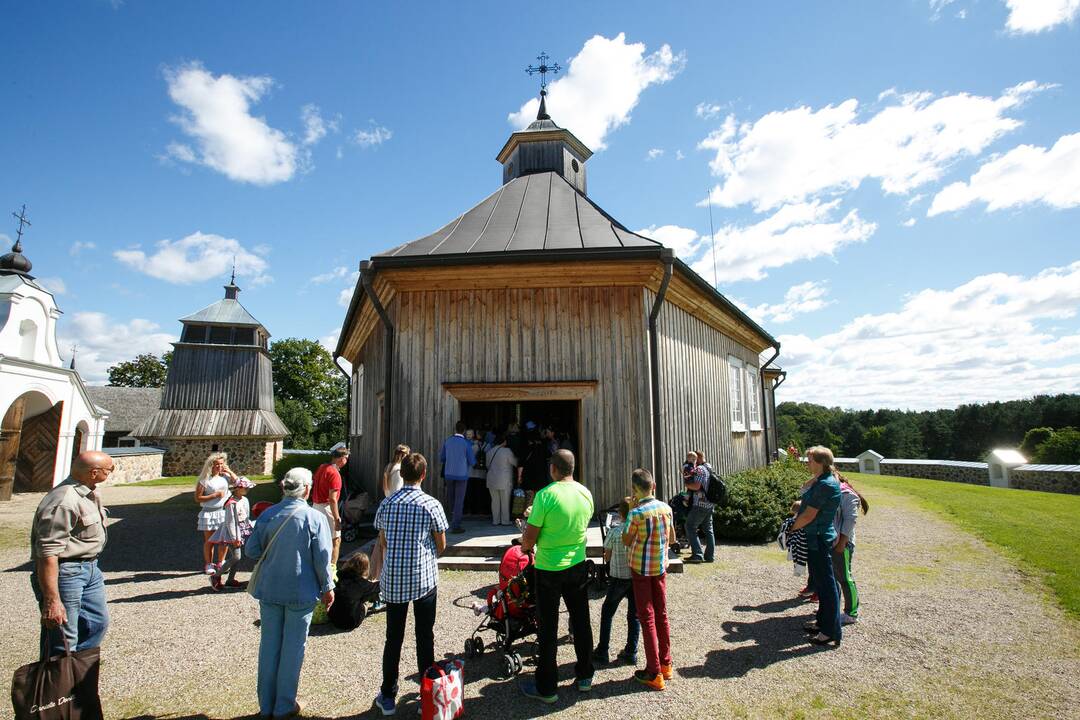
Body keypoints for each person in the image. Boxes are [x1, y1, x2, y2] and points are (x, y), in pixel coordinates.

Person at [246, 468, 335, 719]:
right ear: (306, 489)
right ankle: (284, 705)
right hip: (300, 591)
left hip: (270, 589)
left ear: (283, 488)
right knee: (293, 648)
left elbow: (252, 550)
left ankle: (266, 705)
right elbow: (322, 559)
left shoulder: (268, 514)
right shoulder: (314, 518)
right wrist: (328, 588)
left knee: (269, 647)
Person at [374, 453, 449, 717]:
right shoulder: (430, 504)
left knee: (393, 638)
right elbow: (441, 544)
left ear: (401, 473)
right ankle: (425, 696)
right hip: (423, 578)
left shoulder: (387, 504)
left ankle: (387, 695)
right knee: (424, 636)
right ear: (424, 474)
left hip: (394, 578)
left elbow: (382, 540)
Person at [518, 449, 595, 704]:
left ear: (553, 469)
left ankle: (547, 687)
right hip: (577, 564)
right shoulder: (585, 493)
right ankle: (585, 675)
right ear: (572, 468)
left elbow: (530, 536)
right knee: (581, 620)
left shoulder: (545, 496)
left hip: (549, 568)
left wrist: (525, 546)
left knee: (548, 627)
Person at [30, 450, 114, 657]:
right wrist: (52, 600)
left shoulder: (88, 492)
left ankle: (77, 677)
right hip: (67, 573)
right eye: (109, 469)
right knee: (63, 637)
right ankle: (56, 684)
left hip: (90, 568)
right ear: (94, 472)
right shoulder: (64, 500)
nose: (111, 472)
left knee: (96, 624)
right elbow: (47, 552)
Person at [623, 468, 675, 691]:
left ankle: (653, 671)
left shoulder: (636, 513)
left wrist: (632, 510)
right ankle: (666, 663)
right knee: (661, 613)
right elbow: (672, 537)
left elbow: (626, 539)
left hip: (641, 569)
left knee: (647, 617)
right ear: (653, 486)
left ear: (635, 490)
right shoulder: (666, 508)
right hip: (660, 567)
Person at [789, 446, 844, 647]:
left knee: (827, 585)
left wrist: (791, 529)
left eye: (810, 460)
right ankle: (822, 623)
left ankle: (831, 631)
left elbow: (809, 515)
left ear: (820, 462)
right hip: (814, 537)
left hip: (819, 537)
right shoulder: (821, 481)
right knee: (821, 583)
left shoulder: (826, 485)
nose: (807, 463)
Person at [593, 498, 639, 667]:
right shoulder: (637, 532)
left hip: (618, 578)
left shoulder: (615, 532)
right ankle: (631, 651)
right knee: (634, 615)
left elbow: (607, 556)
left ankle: (603, 650)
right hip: (634, 577)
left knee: (607, 613)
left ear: (620, 513)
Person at [371, 444, 411, 584]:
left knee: (383, 541)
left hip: (387, 502)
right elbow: (399, 490)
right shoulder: (400, 470)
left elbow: (386, 489)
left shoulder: (389, 466)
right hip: (396, 507)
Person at [833, 472, 869, 626]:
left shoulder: (847, 494)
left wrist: (842, 542)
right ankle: (833, 608)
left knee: (845, 577)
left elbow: (850, 521)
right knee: (834, 577)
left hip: (843, 543)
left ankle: (851, 613)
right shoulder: (835, 492)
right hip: (833, 542)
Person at [209, 475, 255, 590]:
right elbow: (230, 522)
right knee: (236, 556)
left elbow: (246, 516)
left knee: (237, 557)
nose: (247, 490)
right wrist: (235, 538)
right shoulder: (231, 503)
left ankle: (230, 579)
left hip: (241, 530)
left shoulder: (245, 500)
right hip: (232, 534)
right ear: (237, 488)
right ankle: (216, 575)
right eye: (245, 488)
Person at [195, 453, 236, 573]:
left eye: (221, 464)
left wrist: (229, 471)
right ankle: (208, 564)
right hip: (209, 513)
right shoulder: (204, 480)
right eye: (217, 464)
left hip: (222, 512)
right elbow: (198, 498)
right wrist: (215, 495)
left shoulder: (224, 478)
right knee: (210, 540)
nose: (219, 466)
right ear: (211, 465)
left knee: (224, 539)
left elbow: (238, 482)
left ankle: (221, 562)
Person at [312, 446, 349, 566]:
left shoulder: (322, 467)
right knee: (335, 540)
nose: (346, 461)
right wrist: (337, 518)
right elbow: (333, 499)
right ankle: (332, 570)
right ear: (341, 459)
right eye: (346, 458)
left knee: (319, 539)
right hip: (327, 508)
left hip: (315, 506)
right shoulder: (334, 473)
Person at [328, 551, 381, 631]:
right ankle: (374, 605)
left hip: (334, 619)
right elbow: (379, 587)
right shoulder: (362, 584)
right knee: (367, 595)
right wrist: (373, 582)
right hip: (351, 622)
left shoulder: (341, 576)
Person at [439, 421, 475, 534]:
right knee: (459, 500)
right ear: (464, 431)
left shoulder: (448, 441)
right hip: (461, 475)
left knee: (451, 498)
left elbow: (442, 458)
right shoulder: (466, 443)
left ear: (455, 429)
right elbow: (472, 461)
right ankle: (456, 525)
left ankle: (451, 520)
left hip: (448, 474)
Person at [683, 461, 715, 564]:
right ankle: (710, 556)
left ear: (698, 458)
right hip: (710, 504)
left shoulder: (700, 469)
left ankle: (697, 555)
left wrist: (687, 484)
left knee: (690, 526)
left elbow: (696, 486)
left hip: (700, 504)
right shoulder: (709, 468)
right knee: (708, 530)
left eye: (692, 460)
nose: (692, 463)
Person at [486, 435, 518, 526]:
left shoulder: (489, 452)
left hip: (491, 479)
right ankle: (505, 521)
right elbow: (515, 463)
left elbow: (487, 465)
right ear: (503, 442)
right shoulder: (507, 451)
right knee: (505, 501)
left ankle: (495, 520)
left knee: (494, 501)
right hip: (504, 480)